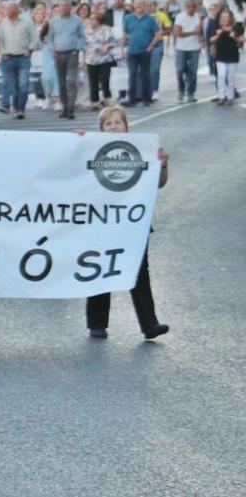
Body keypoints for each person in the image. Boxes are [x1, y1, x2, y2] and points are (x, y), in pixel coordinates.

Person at [84, 105, 168, 341]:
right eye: (108, 124)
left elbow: (159, 183)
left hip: (132, 222)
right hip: (101, 221)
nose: (113, 127)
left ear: (126, 126)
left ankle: (149, 324)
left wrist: (163, 164)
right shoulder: (92, 151)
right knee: (100, 267)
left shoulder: (141, 151)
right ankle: (97, 323)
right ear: (101, 129)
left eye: (117, 123)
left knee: (139, 271)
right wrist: (77, 144)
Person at [0, 1, 38, 119]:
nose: (6, 11)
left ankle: (20, 108)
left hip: (23, 58)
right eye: (5, 9)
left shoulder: (27, 22)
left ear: (16, 10)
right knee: (11, 85)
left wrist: (30, 50)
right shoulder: (2, 23)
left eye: (9, 9)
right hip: (7, 58)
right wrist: (2, 53)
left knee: (23, 84)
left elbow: (35, 38)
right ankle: (12, 106)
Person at [48, 0, 86, 119]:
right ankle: (64, 106)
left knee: (72, 82)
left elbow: (82, 37)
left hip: (72, 54)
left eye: (66, 6)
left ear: (70, 7)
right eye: (61, 6)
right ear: (58, 8)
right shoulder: (53, 21)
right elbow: (50, 38)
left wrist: (77, 48)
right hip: (58, 54)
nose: (64, 8)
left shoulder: (77, 20)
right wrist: (52, 49)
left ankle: (70, 108)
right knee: (61, 83)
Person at [123, 0, 162, 106]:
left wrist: (150, 46)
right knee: (132, 75)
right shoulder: (128, 18)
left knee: (146, 75)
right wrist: (122, 49)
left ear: (144, 6)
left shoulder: (150, 19)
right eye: (137, 4)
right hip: (132, 51)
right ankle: (132, 99)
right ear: (133, 5)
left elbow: (158, 34)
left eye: (141, 4)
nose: (139, 6)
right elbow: (124, 34)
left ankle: (146, 98)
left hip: (144, 51)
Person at [172, 0, 203, 103]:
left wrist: (201, 39)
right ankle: (181, 90)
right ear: (185, 7)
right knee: (179, 69)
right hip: (181, 48)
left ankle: (191, 93)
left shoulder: (197, 17)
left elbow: (199, 31)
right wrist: (192, 32)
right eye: (189, 7)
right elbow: (177, 33)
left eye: (193, 7)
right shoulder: (180, 17)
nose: (191, 9)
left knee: (193, 71)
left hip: (194, 47)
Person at [210, 9, 244, 104]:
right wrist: (217, 35)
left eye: (226, 17)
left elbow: (242, 39)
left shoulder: (236, 27)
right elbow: (211, 39)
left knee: (230, 77)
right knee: (221, 76)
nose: (224, 19)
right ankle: (221, 96)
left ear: (230, 18)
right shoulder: (217, 27)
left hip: (232, 55)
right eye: (223, 17)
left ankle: (230, 97)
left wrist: (235, 37)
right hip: (220, 55)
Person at [84, 12, 117, 108]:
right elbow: (83, 43)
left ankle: (107, 97)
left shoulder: (106, 29)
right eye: (90, 19)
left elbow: (114, 42)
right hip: (91, 59)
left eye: (93, 19)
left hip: (105, 59)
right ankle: (94, 101)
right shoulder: (86, 31)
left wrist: (107, 46)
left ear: (99, 21)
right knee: (93, 80)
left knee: (105, 79)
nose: (91, 21)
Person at [149, 0, 172, 98]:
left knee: (154, 69)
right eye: (148, 5)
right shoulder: (143, 16)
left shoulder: (162, 15)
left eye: (152, 5)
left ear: (155, 6)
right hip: (144, 44)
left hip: (157, 44)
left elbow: (168, 29)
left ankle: (154, 90)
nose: (150, 7)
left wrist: (161, 33)